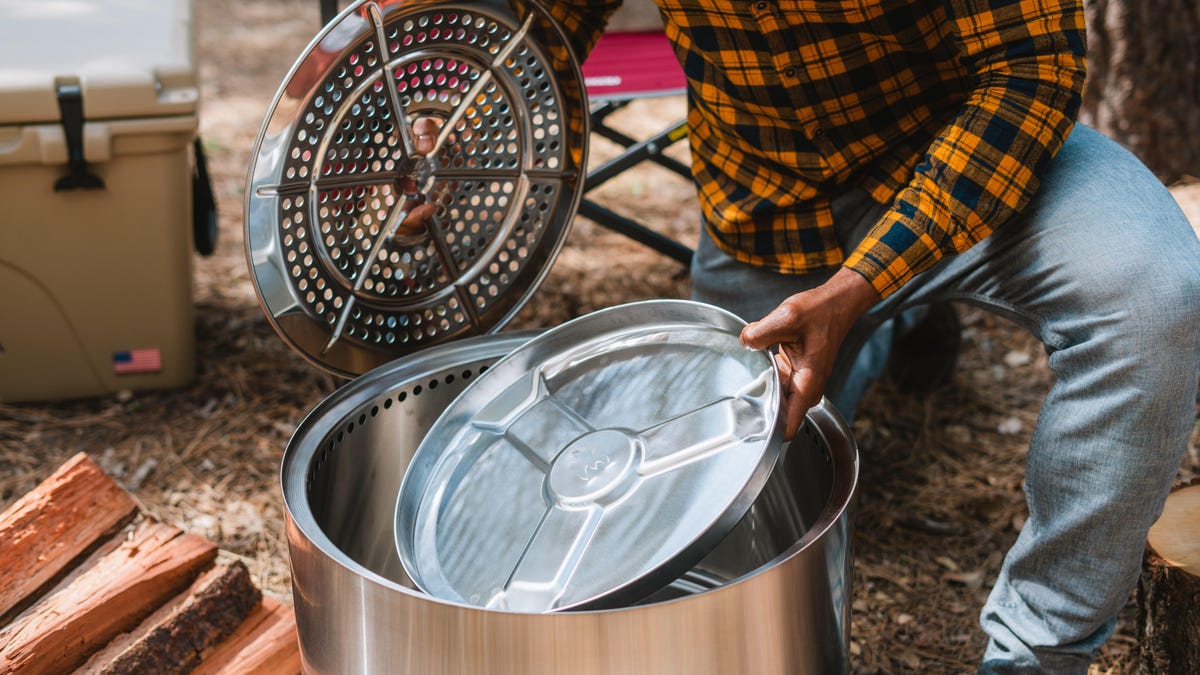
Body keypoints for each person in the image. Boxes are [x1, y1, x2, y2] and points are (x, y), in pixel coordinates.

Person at [528, 1, 1200, 673]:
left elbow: (1032, 69)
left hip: (966, 155)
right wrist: (462, 140)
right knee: (716, 514)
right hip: (772, 210)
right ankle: (897, 325)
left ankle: (1037, 654)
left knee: (1155, 301)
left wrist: (863, 281)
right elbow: (543, 22)